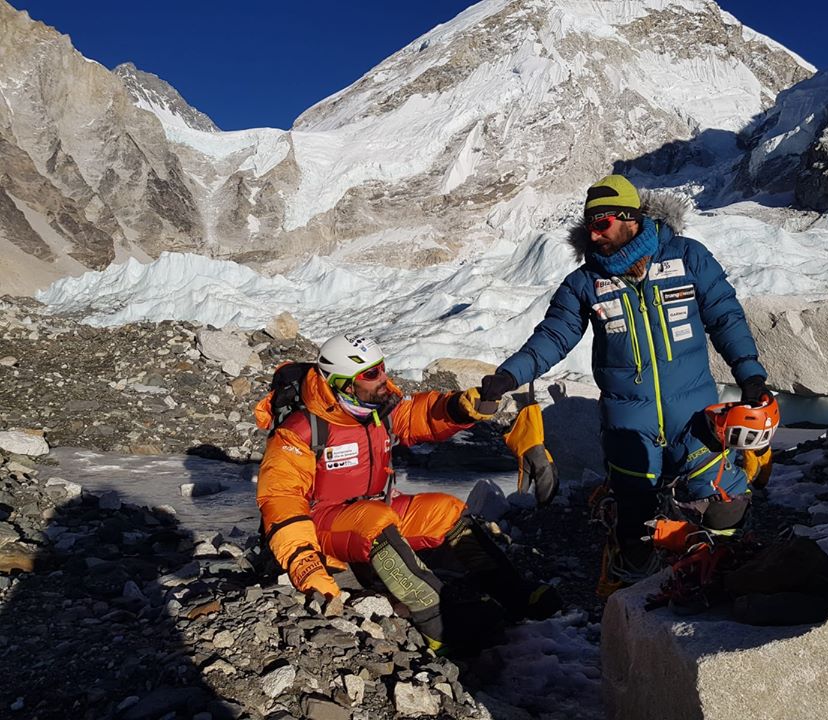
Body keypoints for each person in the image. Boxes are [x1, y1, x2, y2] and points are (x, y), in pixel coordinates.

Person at [480, 174, 770, 594]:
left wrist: (751, 376)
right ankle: (636, 610)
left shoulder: (687, 258)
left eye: (602, 223)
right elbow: (554, 335)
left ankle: (733, 574)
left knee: (723, 508)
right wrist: (510, 375)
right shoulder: (585, 283)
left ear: (631, 218)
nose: (593, 235)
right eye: (589, 225)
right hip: (627, 425)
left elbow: (725, 316)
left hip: (693, 419)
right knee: (636, 526)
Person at [257, 332, 560, 651]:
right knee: (373, 519)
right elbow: (281, 499)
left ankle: (515, 595)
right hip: (323, 526)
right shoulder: (301, 431)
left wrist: (461, 408)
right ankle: (437, 623)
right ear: (343, 383)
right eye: (372, 374)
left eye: (382, 368)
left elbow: (421, 415)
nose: (384, 379)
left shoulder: (377, 410)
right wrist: (303, 562)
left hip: (377, 512)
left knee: (446, 511)